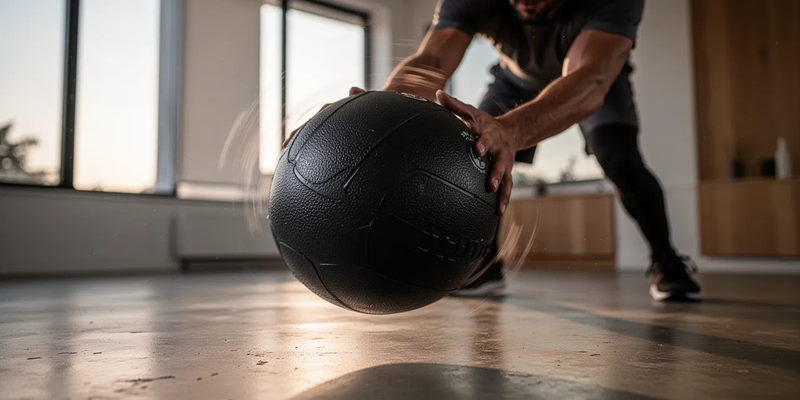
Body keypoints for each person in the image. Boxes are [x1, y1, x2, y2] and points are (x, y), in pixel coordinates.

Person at [290, 0, 702, 302]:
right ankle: (484, 266)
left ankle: (667, 260)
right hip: (515, 81)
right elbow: (431, 59)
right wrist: (376, 114)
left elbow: (589, 78)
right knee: (479, 147)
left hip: (589, 79)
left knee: (620, 158)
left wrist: (513, 129)